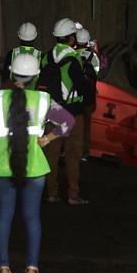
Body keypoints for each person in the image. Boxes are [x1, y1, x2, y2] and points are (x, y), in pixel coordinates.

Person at [0, 53, 75, 273]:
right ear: (35, 76)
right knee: (32, 218)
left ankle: (4, 269)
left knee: (4, 217)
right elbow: (68, 122)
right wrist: (49, 138)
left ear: (12, 73)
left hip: (2, 167)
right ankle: (32, 269)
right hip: (34, 167)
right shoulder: (43, 100)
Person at [39, 18, 95, 203]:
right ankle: (72, 195)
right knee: (73, 155)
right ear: (71, 38)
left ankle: (51, 193)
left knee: (51, 154)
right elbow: (81, 87)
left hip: (51, 112)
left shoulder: (46, 57)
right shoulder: (74, 58)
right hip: (72, 113)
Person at [74, 28, 106, 162]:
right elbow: (97, 73)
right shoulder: (93, 57)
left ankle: (70, 150)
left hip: (74, 96)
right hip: (89, 97)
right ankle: (84, 153)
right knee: (86, 126)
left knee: (72, 123)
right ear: (87, 41)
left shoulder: (71, 54)